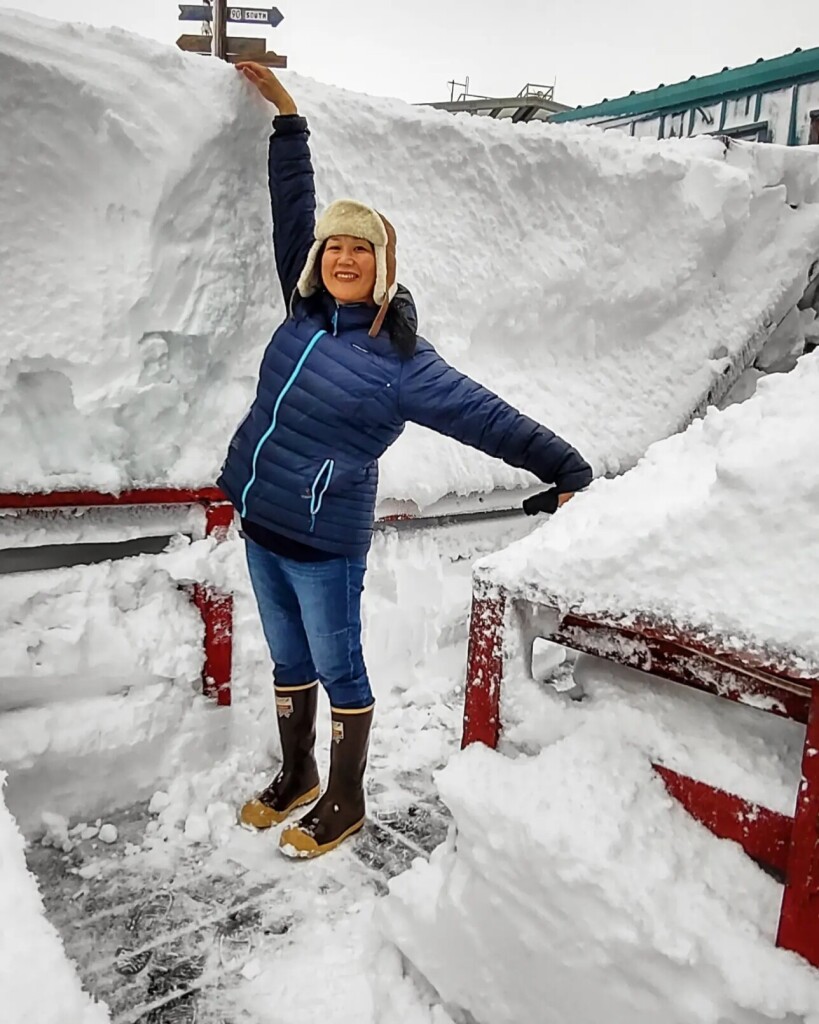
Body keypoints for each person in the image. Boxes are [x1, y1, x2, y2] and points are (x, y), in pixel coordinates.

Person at [218, 63, 593, 859]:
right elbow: (293, 204)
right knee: (287, 660)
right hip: (262, 523)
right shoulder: (302, 305)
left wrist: (567, 469)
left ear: (383, 266)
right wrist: (288, 118)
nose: (343, 258)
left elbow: (489, 417)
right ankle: (297, 776)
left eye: (362, 249)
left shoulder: (402, 361)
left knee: (336, 665)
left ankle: (345, 800)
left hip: (324, 543)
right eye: (335, 247)